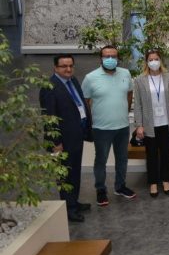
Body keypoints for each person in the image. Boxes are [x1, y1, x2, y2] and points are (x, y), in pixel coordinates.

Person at [39, 54, 93, 222]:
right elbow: (49, 117)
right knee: (65, 174)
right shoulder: (49, 87)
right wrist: (56, 143)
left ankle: (74, 201)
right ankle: (69, 209)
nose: (68, 69)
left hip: (76, 135)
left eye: (70, 66)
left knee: (74, 171)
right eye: (64, 66)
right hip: (62, 140)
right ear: (55, 68)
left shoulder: (73, 81)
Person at [82, 45, 136, 206]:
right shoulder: (90, 78)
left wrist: (124, 111)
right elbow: (85, 102)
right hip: (101, 128)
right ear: (101, 58)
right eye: (107, 56)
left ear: (118, 58)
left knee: (122, 159)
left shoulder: (125, 73)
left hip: (122, 126)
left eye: (113, 56)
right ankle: (100, 190)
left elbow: (129, 93)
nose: (110, 59)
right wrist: (90, 123)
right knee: (101, 160)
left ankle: (120, 186)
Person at [133, 50, 169, 197]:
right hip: (149, 124)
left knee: (166, 153)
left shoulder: (168, 77)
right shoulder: (140, 80)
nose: (154, 62)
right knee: (151, 155)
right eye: (151, 60)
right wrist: (139, 125)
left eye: (156, 59)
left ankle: (166, 180)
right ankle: (153, 183)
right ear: (146, 62)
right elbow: (138, 105)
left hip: (166, 122)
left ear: (160, 60)